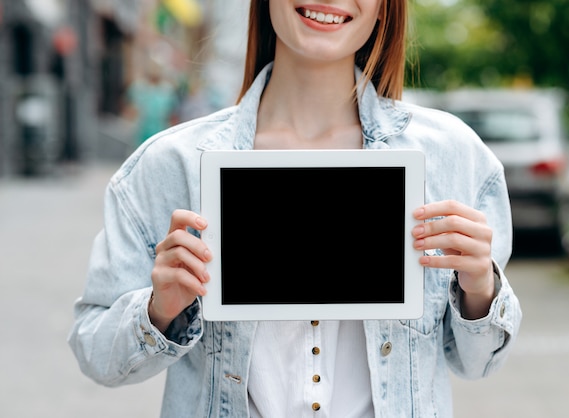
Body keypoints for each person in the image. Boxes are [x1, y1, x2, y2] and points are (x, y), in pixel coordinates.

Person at [68, 1, 522, 417]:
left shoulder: (455, 156)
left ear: (385, 8)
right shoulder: (171, 165)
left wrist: (479, 288)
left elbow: (477, 363)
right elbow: (96, 353)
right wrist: (158, 310)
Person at [124, 59, 179, 147]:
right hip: (141, 130)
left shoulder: (167, 90)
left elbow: (172, 113)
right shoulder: (139, 87)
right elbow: (130, 108)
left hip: (160, 130)